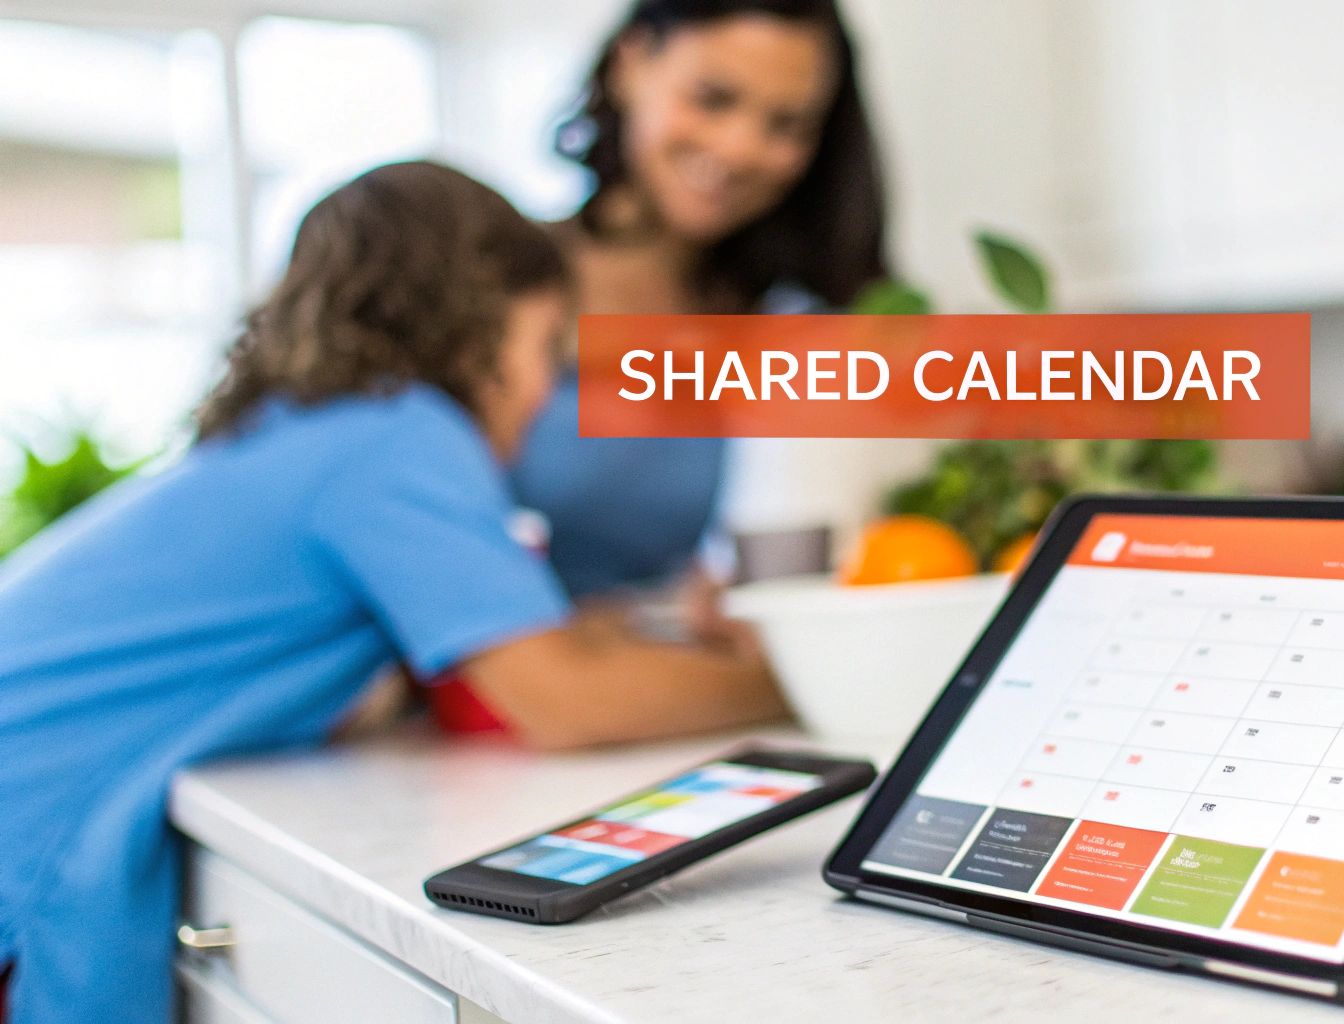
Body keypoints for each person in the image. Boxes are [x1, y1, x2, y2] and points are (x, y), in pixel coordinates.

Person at [0, 161, 782, 1024]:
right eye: (546, 348)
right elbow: (563, 696)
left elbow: (532, 634)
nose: (544, 392)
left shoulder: (309, 428)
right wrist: (790, 679)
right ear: (475, 322)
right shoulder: (404, 435)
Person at [511, 0, 888, 598]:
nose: (739, 149)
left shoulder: (792, 326)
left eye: (785, 125)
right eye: (713, 98)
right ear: (631, 63)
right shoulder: (491, 282)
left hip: (705, 676)